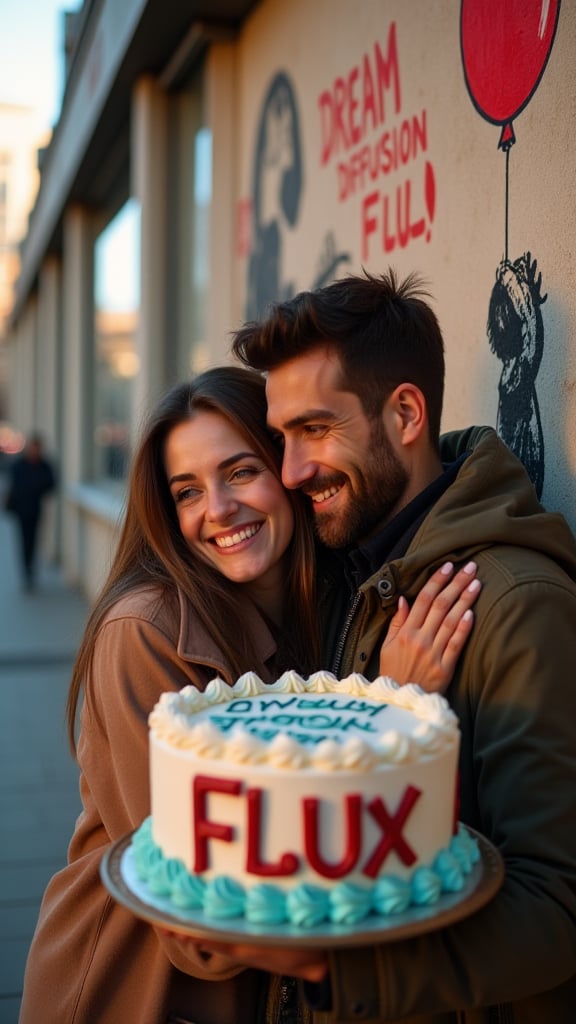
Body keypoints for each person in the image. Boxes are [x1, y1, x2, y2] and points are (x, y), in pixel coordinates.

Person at [19, 366, 480, 1024]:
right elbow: (199, 927)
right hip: (133, 994)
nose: (218, 509)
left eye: (239, 472)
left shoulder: (327, 604)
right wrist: (390, 716)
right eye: (188, 492)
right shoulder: (143, 634)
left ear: (287, 470)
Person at [201, 269, 576, 1023]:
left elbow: (557, 910)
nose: (290, 470)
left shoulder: (510, 605)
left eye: (314, 430)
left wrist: (343, 970)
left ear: (405, 413)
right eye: (280, 438)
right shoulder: (354, 568)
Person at [5, 432, 56, 590]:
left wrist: (35, 488)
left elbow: (51, 484)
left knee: (33, 540)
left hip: (35, 510)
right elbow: (14, 485)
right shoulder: (19, 465)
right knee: (24, 541)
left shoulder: (44, 465)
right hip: (21, 511)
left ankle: (31, 567)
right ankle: (26, 571)